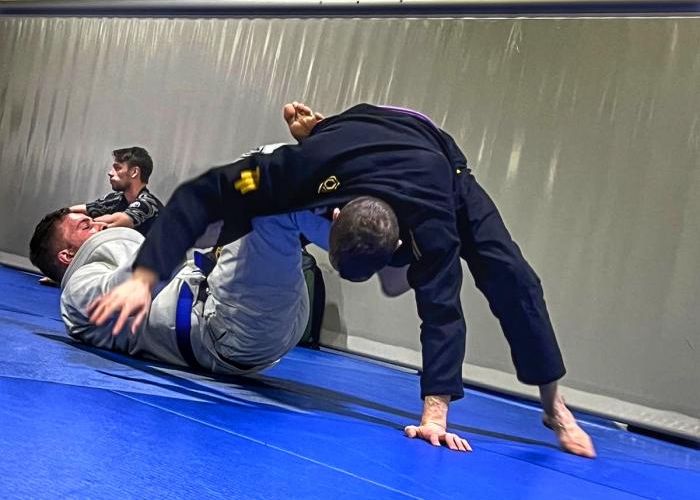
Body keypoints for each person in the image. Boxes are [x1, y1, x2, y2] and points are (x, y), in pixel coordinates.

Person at [87, 103, 595, 458]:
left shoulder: (431, 222)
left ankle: (554, 405)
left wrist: (434, 416)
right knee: (251, 195)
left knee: (512, 277)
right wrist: (145, 275)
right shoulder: (296, 171)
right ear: (332, 213)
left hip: (439, 159)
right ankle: (319, 129)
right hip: (345, 136)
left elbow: (443, 308)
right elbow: (206, 189)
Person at [28, 166, 331, 375]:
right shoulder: (76, 294)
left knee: (261, 170)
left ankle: (335, 210)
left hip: (244, 315)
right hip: (225, 330)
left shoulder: (113, 259)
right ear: (67, 255)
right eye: (86, 225)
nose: (98, 223)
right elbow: (125, 291)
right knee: (259, 203)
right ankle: (343, 233)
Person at [72, 146, 163, 235]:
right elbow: (88, 208)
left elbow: (119, 220)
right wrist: (65, 213)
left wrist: (84, 225)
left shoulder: (148, 204)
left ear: (134, 172)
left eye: (117, 168)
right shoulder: (117, 198)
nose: (110, 173)